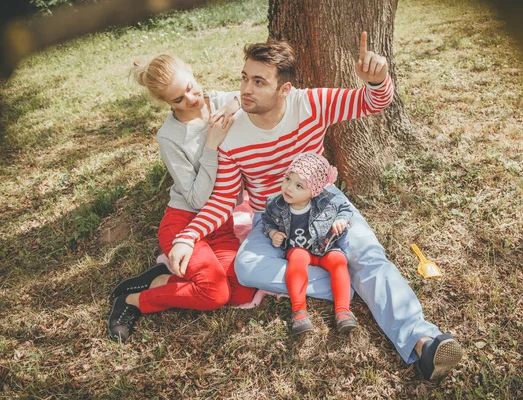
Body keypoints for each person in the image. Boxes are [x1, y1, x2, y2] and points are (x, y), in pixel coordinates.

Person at [167, 33, 463, 380]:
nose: (245, 89)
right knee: (247, 267)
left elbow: (373, 102)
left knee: (367, 255)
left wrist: (378, 79)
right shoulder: (232, 132)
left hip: (324, 204)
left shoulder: (311, 104)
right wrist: (188, 237)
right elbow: (222, 199)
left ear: (285, 89)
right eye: (244, 78)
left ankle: (422, 342)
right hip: (272, 215)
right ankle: (350, 282)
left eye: (259, 82)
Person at [107, 54, 256, 343]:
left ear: (191, 70)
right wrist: (211, 145)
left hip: (220, 223)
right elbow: (197, 199)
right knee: (214, 293)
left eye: (190, 87)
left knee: (242, 291)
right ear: (167, 103)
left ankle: (161, 277)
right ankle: (134, 302)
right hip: (185, 222)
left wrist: (234, 103)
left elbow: (249, 96)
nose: (191, 99)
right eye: (178, 99)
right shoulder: (170, 137)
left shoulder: (218, 99)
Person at [262, 152, 356, 335]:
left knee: (338, 260)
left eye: (299, 186)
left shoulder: (326, 200)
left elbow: (345, 208)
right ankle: (299, 312)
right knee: (297, 257)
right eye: (288, 179)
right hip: (298, 248)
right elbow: (267, 221)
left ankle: (343, 311)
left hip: (325, 246)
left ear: (314, 191)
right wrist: (273, 233)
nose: (289, 188)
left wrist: (341, 220)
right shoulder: (276, 205)